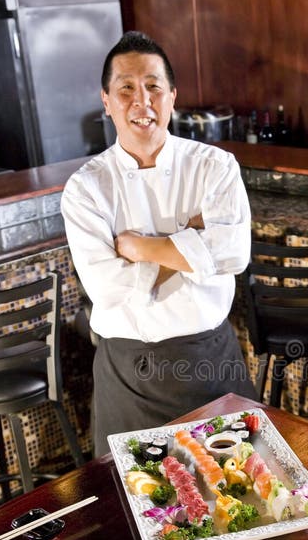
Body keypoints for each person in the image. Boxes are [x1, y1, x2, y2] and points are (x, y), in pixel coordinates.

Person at [61, 31, 256, 456]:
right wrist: (191, 240)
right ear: (106, 101)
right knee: (132, 494)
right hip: (129, 375)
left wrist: (139, 249)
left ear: (172, 97)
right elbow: (108, 288)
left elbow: (233, 253)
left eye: (153, 87)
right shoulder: (85, 188)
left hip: (209, 363)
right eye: (126, 89)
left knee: (239, 487)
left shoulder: (214, 166)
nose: (141, 101)